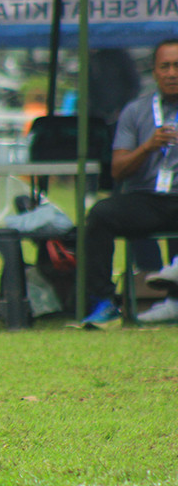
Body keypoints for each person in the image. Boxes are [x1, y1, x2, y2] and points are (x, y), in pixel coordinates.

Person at [80, 39, 178, 328]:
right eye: (165, 66)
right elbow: (118, 170)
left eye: (177, 66)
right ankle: (104, 302)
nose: (172, 73)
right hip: (147, 199)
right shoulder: (136, 112)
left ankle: (174, 292)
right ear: (154, 71)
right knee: (100, 215)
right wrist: (148, 146)